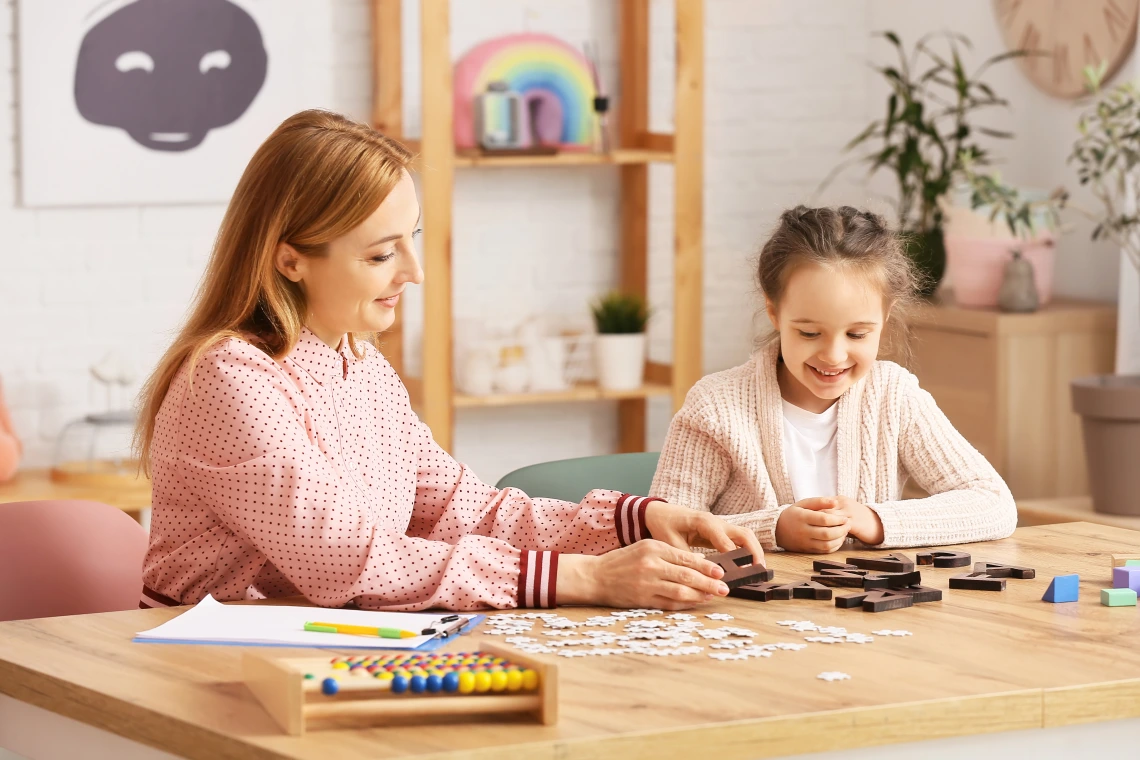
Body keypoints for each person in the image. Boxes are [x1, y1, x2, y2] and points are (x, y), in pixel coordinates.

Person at [136, 110, 763, 612]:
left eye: (409, 239)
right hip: (211, 669)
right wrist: (584, 578)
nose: (413, 272)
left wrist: (637, 521)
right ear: (290, 260)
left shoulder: (362, 362)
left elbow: (463, 508)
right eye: (381, 255)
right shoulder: (230, 380)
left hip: (328, 648)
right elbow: (348, 559)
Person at [651, 205, 1016, 553]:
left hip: (865, 612)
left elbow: (993, 503)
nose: (834, 356)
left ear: (885, 317)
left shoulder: (894, 395)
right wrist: (773, 529)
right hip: (742, 612)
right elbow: (661, 530)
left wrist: (874, 520)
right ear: (774, 312)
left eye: (857, 335)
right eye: (809, 333)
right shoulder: (716, 405)